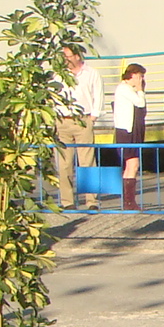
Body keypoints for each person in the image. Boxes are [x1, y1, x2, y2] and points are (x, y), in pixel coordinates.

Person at [54, 47, 104, 211]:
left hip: (83, 119)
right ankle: (67, 201)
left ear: (77, 56)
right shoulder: (57, 74)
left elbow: (98, 94)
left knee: (87, 161)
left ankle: (91, 201)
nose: (65, 59)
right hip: (63, 120)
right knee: (64, 163)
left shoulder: (91, 73)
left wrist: (93, 117)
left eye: (67, 56)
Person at [109, 62, 148, 210]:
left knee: (131, 165)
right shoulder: (124, 89)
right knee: (132, 164)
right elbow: (140, 103)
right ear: (133, 75)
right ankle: (129, 201)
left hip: (133, 130)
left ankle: (129, 201)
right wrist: (140, 90)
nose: (141, 80)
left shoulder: (128, 89)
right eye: (140, 76)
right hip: (127, 131)